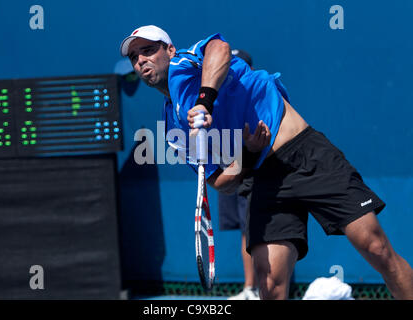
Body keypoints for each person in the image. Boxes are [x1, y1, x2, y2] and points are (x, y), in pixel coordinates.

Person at [119, 25, 413, 299]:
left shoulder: (188, 62)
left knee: (376, 248)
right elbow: (219, 182)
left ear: (169, 50)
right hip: (263, 178)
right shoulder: (173, 125)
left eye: (148, 50)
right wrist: (246, 156)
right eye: (134, 57)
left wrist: (205, 101)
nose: (141, 60)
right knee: (269, 286)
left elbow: (220, 47)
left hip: (304, 153)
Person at [217, 49, 258, 300]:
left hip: (253, 172)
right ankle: (249, 288)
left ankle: (258, 288)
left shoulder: (256, 95)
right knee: (245, 231)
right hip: (229, 169)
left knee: (255, 230)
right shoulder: (219, 99)